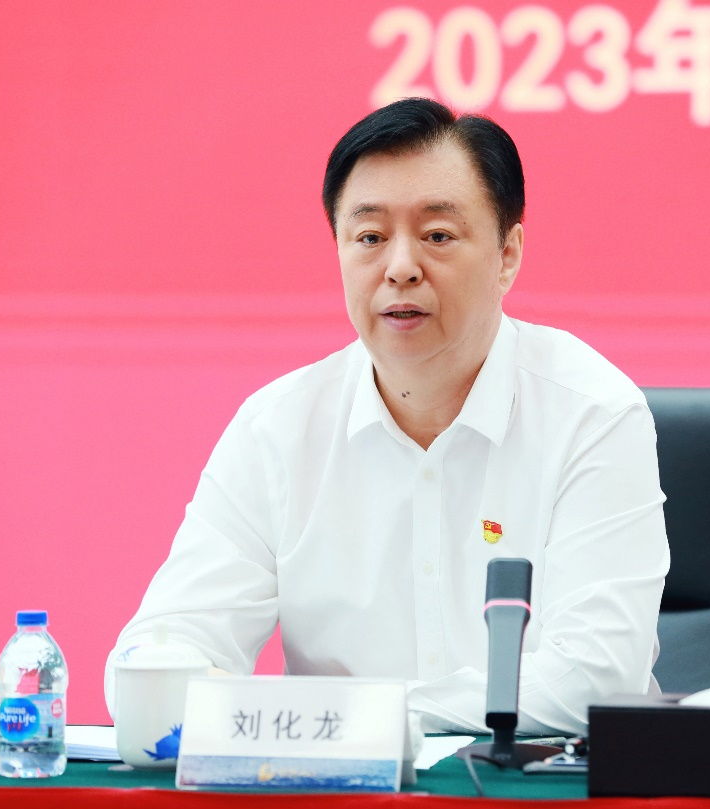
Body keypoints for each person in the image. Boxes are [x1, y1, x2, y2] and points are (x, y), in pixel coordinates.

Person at [106, 98, 670, 736]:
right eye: (370, 238)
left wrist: (349, 720)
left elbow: (596, 678)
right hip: (336, 793)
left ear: (508, 254)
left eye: (437, 236)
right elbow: (155, 656)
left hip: (534, 791)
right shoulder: (277, 430)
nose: (400, 268)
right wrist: (169, 678)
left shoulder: (593, 415)